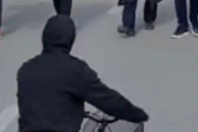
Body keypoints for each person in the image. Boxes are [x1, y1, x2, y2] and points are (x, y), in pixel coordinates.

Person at [17, 15, 148, 132]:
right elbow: (106, 98)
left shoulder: (25, 69)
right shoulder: (74, 69)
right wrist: (136, 114)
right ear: (70, 39)